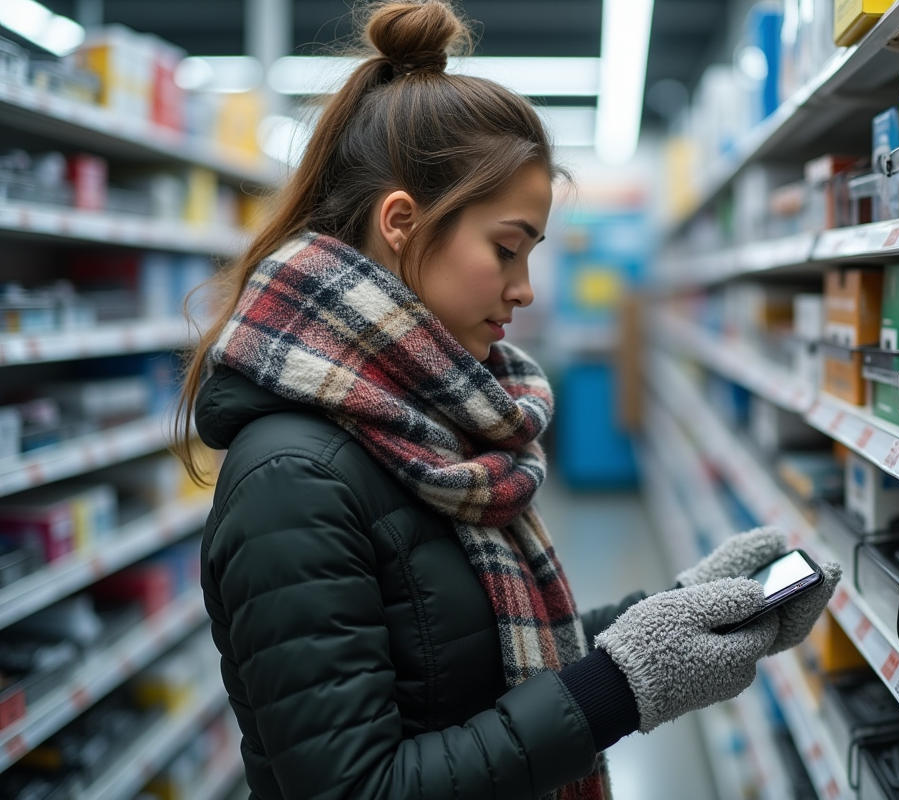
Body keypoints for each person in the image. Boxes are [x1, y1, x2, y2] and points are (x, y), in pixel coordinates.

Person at [173, 2, 841, 798]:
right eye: (506, 249)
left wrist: (670, 613)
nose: (525, 290)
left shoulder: (433, 425)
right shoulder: (290, 480)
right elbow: (360, 787)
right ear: (400, 223)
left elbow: (477, 666)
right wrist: (622, 688)